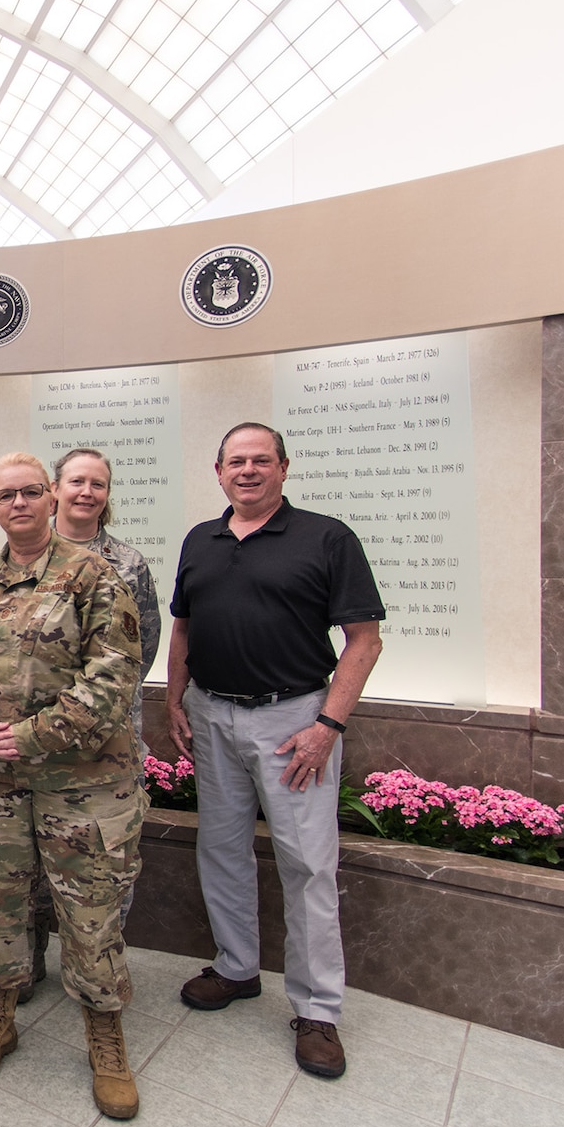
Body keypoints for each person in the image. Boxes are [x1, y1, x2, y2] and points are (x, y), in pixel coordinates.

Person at [167, 422, 384, 1080]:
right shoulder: (199, 540)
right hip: (212, 714)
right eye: (237, 461)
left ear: (284, 468)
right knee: (222, 845)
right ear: (219, 471)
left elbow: (364, 641)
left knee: (307, 864)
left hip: (293, 723)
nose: (249, 470)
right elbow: (183, 626)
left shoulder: (326, 537)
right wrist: (175, 701)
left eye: (262, 460)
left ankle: (318, 1010)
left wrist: (327, 727)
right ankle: (236, 967)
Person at [0, 452, 146, 1120]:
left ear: (52, 498)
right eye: (5, 495)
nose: (18, 504)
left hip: (83, 785)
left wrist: (24, 737)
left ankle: (104, 1032)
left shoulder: (96, 578)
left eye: (30, 492)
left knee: (90, 910)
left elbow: (112, 685)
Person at [17, 447, 162, 1002]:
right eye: (76, 481)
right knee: (27, 856)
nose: (86, 492)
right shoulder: (25, 555)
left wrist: (85, 708)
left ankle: (95, 969)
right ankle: (25, 960)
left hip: (106, 741)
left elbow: (138, 649)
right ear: (55, 490)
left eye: (97, 484)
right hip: (30, 738)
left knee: (103, 862)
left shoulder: (127, 563)